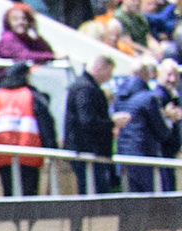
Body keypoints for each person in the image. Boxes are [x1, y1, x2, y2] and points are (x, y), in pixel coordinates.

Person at [0, 62, 56, 198]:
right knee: (29, 196)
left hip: (2, 154)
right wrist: (52, 148)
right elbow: (45, 124)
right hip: (29, 153)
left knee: (9, 194)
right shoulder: (31, 95)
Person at [116, 58, 180, 194]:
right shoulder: (150, 98)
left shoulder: (120, 96)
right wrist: (170, 119)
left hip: (124, 156)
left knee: (132, 200)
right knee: (154, 201)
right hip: (146, 156)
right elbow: (162, 132)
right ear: (149, 74)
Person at [63, 54, 117, 195]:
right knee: (95, 192)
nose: (109, 77)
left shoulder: (85, 86)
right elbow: (87, 121)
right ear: (100, 68)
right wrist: (112, 123)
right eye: (109, 72)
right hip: (88, 151)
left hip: (88, 151)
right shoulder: (85, 89)